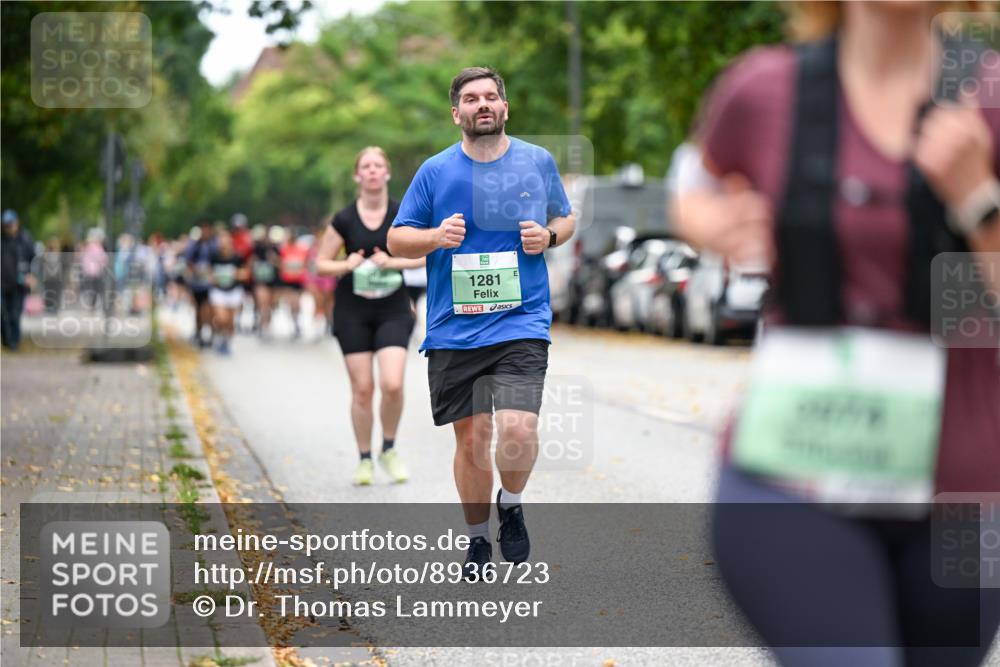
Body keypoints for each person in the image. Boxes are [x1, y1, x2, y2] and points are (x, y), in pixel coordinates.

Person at [675, 3, 1000, 665]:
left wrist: (977, 198)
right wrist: (716, 225)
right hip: (791, 477)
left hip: (963, 503)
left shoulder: (990, 99)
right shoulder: (762, 87)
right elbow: (695, 180)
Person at [387, 68, 576, 578]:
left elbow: (565, 216)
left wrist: (550, 237)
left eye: (491, 96)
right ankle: (476, 539)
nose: (483, 104)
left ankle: (510, 502)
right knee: (472, 440)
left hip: (521, 320)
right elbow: (396, 240)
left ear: (505, 107)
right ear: (457, 114)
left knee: (517, 428)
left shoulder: (537, 162)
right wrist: (434, 237)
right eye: (471, 99)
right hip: (454, 326)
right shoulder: (434, 172)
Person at [316, 146, 424, 486]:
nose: (373, 170)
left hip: (393, 308)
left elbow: (425, 256)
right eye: (367, 166)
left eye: (379, 165)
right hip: (352, 311)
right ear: (357, 175)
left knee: (392, 384)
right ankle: (364, 458)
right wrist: (344, 264)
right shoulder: (344, 219)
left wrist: (393, 262)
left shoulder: (402, 214)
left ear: (387, 173)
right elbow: (320, 263)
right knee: (363, 388)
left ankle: (388, 448)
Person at [208, 229, 247, 356]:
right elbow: (208, 273)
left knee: (230, 321)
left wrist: (236, 274)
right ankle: (219, 335)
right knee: (221, 318)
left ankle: (227, 342)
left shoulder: (237, 257)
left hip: (233, 291)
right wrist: (213, 277)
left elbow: (245, 273)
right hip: (218, 291)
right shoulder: (214, 256)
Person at [1, 210, 35, 350]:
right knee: (2, 312)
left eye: (10, 224)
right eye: (6, 225)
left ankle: (14, 342)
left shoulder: (25, 240)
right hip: (2, 283)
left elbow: (34, 260)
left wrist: (31, 275)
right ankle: (7, 340)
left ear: (17, 223)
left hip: (19, 283)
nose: (8, 227)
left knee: (15, 314)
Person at [184, 222, 216, 348]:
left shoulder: (213, 246)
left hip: (209, 284)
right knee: (198, 309)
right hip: (197, 283)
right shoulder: (194, 246)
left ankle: (210, 332)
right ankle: (199, 332)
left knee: (208, 309)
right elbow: (188, 262)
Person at [306, 220, 336, 340]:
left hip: (328, 276)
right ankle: (317, 326)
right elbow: (307, 262)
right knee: (317, 301)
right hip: (315, 276)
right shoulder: (314, 244)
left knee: (328, 302)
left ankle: (328, 324)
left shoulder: (333, 241)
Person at [276, 226, 307, 339]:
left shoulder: (302, 249)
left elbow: (306, 263)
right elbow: (279, 263)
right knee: (291, 303)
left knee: (297, 303)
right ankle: (294, 323)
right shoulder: (283, 249)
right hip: (287, 280)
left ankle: (297, 322)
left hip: (298, 280)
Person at [249, 224, 279, 338]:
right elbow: (250, 264)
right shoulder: (256, 249)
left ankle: (266, 324)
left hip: (273, 281)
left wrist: (274, 260)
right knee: (263, 303)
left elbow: (281, 264)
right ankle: (262, 325)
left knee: (270, 305)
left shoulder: (276, 249)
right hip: (260, 280)